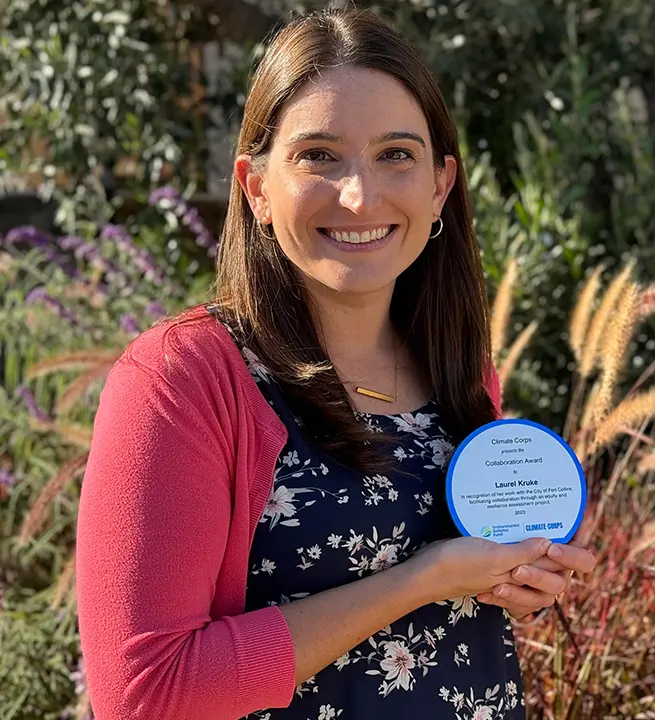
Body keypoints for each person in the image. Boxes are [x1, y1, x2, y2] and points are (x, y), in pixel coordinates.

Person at [75, 8, 596, 720]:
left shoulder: (459, 368)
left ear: (441, 185)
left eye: (396, 155)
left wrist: (521, 576)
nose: (359, 195)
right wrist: (423, 579)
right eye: (318, 155)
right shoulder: (182, 379)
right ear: (257, 188)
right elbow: (145, 694)